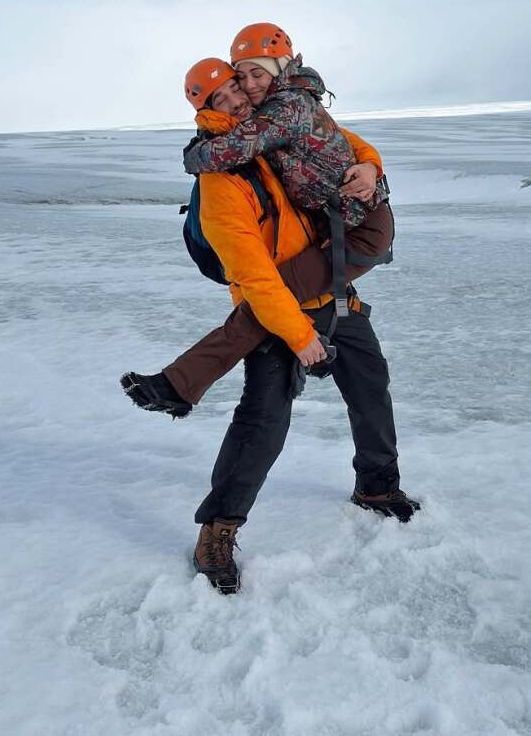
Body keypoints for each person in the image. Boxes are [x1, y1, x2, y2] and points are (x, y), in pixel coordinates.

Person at [126, 37, 419, 594]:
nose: (236, 98)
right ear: (204, 108)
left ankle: (377, 487)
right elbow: (257, 277)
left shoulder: (274, 121)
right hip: (276, 310)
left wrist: (368, 165)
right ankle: (217, 529)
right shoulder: (220, 183)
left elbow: (344, 139)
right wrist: (299, 336)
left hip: (334, 293)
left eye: (238, 84)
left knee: (371, 388)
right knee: (263, 421)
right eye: (221, 95)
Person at [122, 27, 394, 414]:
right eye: (239, 78)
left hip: (361, 228)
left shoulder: (283, 112)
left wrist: (193, 156)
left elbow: (234, 147)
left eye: (254, 76)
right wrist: (369, 162)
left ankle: (176, 385)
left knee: (264, 301)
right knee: (273, 330)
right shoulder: (275, 111)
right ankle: (180, 384)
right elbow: (341, 138)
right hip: (340, 231)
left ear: (279, 67)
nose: (245, 90)